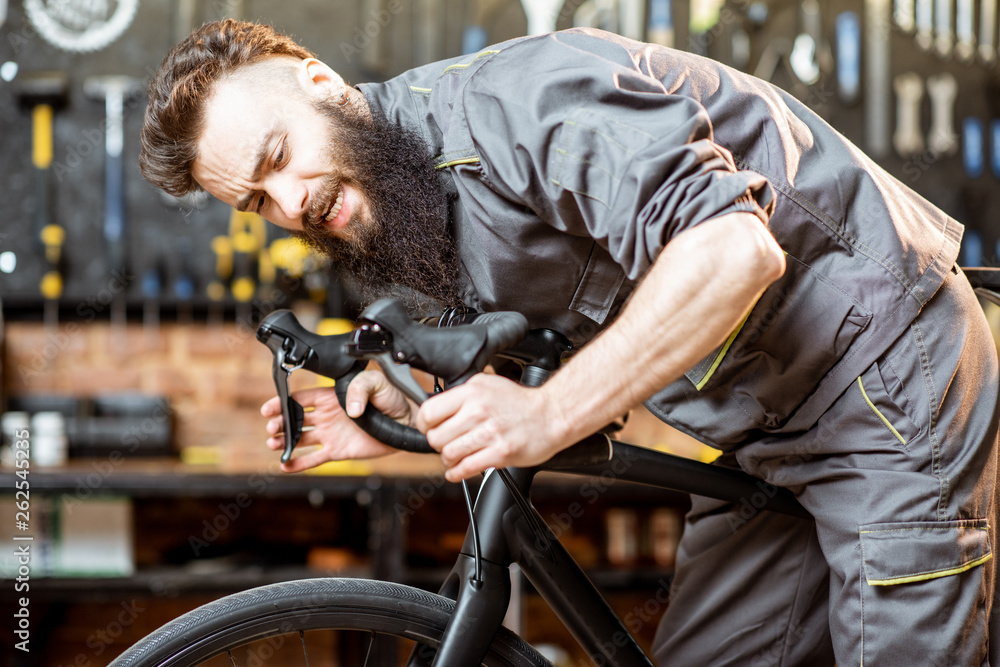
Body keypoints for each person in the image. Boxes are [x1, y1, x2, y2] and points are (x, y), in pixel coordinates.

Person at [139, 19, 998, 666]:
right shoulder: (399, 188)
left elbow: (735, 249)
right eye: (256, 202)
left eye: (279, 155)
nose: (288, 204)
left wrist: (547, 412)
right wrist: (397, 405)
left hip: (887, 385)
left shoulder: (525, 100)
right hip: (764, 437)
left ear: (321, 83)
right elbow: (528, 316)